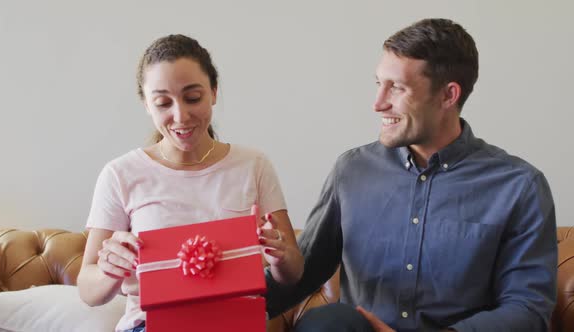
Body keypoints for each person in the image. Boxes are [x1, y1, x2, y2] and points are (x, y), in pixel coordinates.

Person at [264, 18, 557, 332]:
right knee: (327, 323)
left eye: (397, 88)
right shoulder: (352, 169)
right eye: (379, 83)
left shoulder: (519, 186)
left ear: (448, 95)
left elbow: (527, 309)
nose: (378, 103)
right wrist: (216, 304)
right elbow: (303, 272)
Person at [77, 34, 304, 332]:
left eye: (193, 98)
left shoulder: (254, 165)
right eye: (162, 103)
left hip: (236, 324)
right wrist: (110, 270)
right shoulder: (120, 174)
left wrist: (281, 256)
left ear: (214, 91)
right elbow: (87, 290)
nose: (180, 116)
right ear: (146, 104)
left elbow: (293, 272)